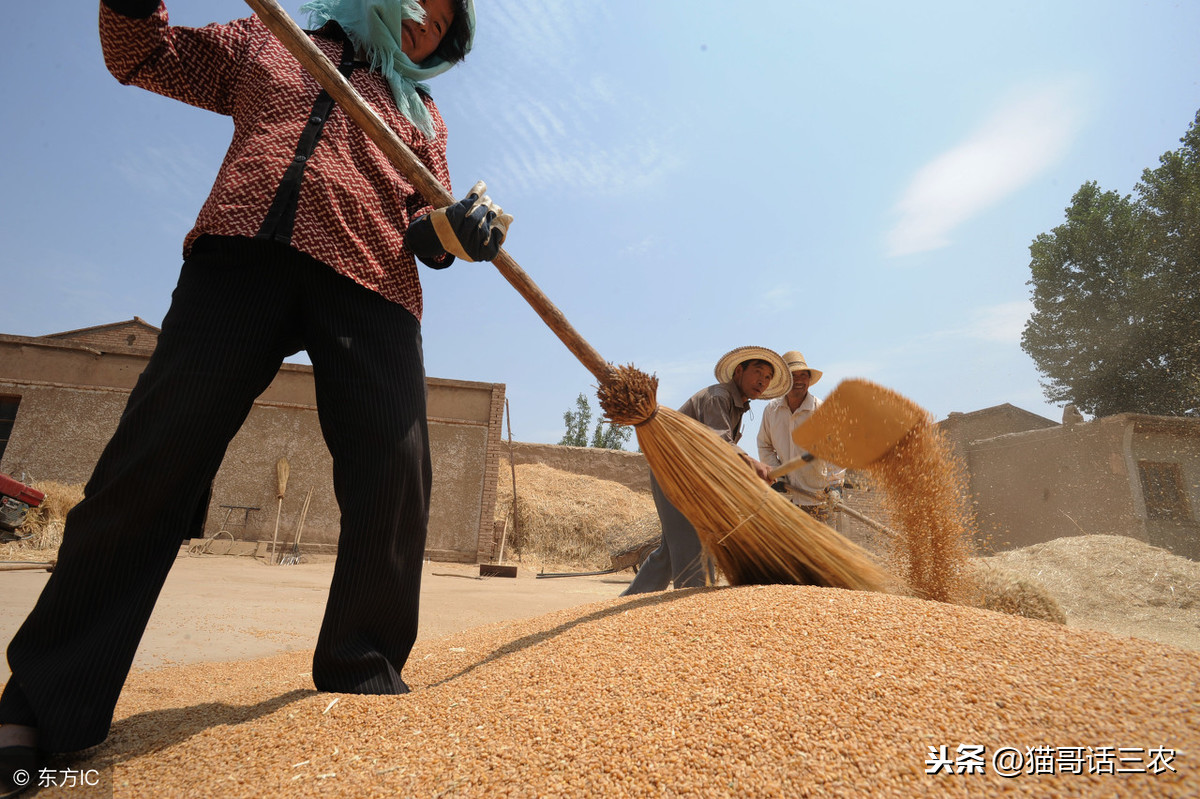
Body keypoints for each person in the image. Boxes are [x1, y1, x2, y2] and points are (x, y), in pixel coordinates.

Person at [1, 0, 508, 789]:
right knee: (154, 458)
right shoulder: (278, 39)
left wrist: (461, 230)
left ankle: (362, 671)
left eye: (444, 26)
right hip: (242, 253)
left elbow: (425, 224)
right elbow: (147, 55)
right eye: (424, 2)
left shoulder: (423, 117)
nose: (426, 23)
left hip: (370, 281)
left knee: (395, 472)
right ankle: (41, 702)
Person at [621, 346, 791, 596]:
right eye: (758, 372)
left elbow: (718, 456)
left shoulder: (737, 406)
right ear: (739, 371)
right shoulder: (718, 397)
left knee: (669, 553)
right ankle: (695, 606)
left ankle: (628, 604)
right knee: (696, 545)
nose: (762, 381)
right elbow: (719, 444)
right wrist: (754, 465)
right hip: (673, 472)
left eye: (767, 378)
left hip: (688, 477)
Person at [756, 351, 846, 524]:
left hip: (817, 500)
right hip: (786, 499)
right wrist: (777, 473)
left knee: (821, 549)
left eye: (803, 375)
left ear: (809, 380)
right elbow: (764, 444)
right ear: (784, 381)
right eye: (793, 375)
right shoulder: (771, 411)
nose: (798, 380)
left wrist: (835, 486)